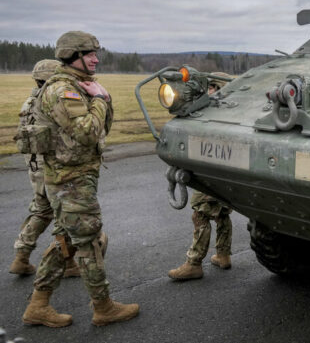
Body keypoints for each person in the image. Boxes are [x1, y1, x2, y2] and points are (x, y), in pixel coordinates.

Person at [21, 31, 139, 328]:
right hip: (69, 181)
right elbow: (87, 133)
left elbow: (102, 129)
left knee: (66, 242)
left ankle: (38, 306)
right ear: (73, 56)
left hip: (73, 178)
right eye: (90, 54)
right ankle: (104, 307)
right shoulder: (63, 90)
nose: (96, 58)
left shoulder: (78, 86)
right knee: (90, 241)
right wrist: (99, 99)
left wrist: (103, 98)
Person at [9, 60, 79, 278]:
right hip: (50, 166)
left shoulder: (29, 102)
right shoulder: (51, 102)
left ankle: (21, 256)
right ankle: (67, 263)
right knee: (62, 214)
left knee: (42, 210)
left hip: (34, 166)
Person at [168, 72, 234, 280]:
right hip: (227, 173)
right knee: (222, 213)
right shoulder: (230, 112)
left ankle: (194, 263)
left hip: (211, 173)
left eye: (212, 88)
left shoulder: (213, 112)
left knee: (200, 214)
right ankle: (223, 255)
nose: (208, 92)